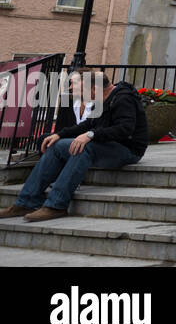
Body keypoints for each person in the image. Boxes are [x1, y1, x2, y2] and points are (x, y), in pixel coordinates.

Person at [0, 70, 148, 222]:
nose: (79, 93)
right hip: (108, 145)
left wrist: (91, 135)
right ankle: (26, 202)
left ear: (94, 89)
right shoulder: (102, 98)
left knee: (83, 147)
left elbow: (124, 129)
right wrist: (59, 135)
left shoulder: (123, 98)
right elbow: (88, 124)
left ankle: (56, 205)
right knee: (56, 145)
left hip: (128, 150)